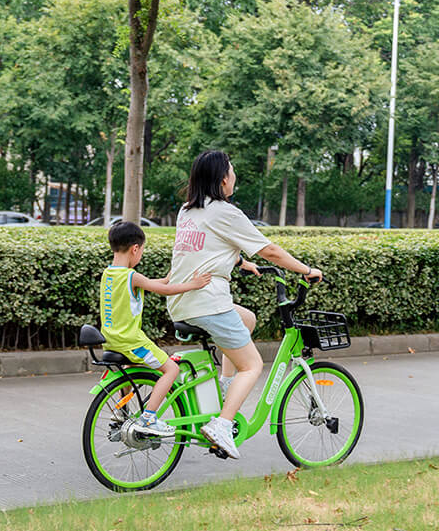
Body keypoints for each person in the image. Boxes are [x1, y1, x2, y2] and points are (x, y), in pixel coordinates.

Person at [167, 150, 322, 458]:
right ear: (223, 178)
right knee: (252, 365)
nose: (234, 175)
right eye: (232, 170)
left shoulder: (188, 210)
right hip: (207, 303)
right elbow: (271, 251)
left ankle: (225, 387)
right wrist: (307, 270)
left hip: (180, 299)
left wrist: (238, 261)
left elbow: (204, 246)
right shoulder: (226, 212)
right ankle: (222, 426)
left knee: (247, 320)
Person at [101, 221, 212, 436]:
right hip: (131, 341)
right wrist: (194, 284)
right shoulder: (132, 276)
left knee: (131, 372)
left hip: (112, 340)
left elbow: (157, 283)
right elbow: (166, 290)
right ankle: (149, 417)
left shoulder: (109, 274)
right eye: (141, 250)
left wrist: (172, 275)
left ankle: (122, 413)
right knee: (172, 369)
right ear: (135, 248)